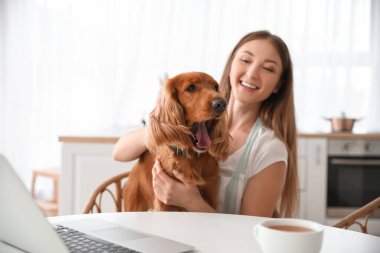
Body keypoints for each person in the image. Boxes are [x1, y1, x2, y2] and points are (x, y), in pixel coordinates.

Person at [113, 30, 298, 218]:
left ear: (278, 85)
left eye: (268, 68)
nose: (252, 74)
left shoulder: (268, 148)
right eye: (245, 60)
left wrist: (191, 202)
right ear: (230, 65)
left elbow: (250, 234)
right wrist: (164, 130)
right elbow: (119, 153)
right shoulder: (193, 122)